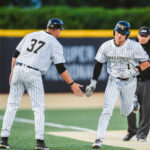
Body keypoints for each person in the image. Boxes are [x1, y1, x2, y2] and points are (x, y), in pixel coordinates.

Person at [0, 18, 83, 150]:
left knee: (11, 106)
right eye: (60, 30)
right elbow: (60, 68)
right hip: (33, 73)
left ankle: (3, 140)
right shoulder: (55, 43)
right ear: (56, 30)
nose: (60, 32)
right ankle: (40, 142)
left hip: (18, 69)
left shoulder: (32, 34)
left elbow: (15, 53)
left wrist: (12, 71)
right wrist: (71, 83)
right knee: (38, 108)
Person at [85, 21, 149, 149]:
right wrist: (93, 82)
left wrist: (135, 70)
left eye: (123, 33)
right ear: (114, 32)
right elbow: (98, 64)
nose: (120, 35)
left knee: (125, 113)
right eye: (118, 32)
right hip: (113, 80)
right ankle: (98, 139)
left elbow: (146, 63)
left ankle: (133, 103)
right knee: (106, 110)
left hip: (130, 82)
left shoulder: (135, 46)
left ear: (127, 35)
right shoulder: (106, 46)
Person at [123, 26, 150, 142]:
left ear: (149, 37)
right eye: (141, 36)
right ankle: (132, 130)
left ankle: (142, 134)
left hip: (147, 81)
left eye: (145, 36)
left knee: (146, 109)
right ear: (137, 35)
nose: (143, 38)